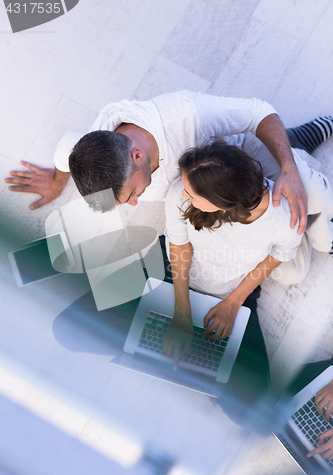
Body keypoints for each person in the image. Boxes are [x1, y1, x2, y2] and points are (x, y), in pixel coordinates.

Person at [8, 90, 333, 237]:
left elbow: (258, 112)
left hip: (233, 162)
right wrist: (55, 179)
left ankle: (298, 139)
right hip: (202, 191)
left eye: (132, 193)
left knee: (300, 176)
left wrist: (289, 170)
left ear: (137, 156)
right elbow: (65, 146)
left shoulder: (186, 114)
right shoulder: (88, 150)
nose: (135, 202)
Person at [161, 138, 320, 418]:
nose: (183, 195)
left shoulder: (284, 217)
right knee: (71, 332)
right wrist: (181, 310)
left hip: (235, 291)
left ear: (222, 202)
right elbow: (178, 245)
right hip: (176, 273)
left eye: (192, 194)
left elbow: (278, 256)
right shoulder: (181, 192)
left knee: (250, 412)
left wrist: (233, 303)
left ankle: (300, 153)